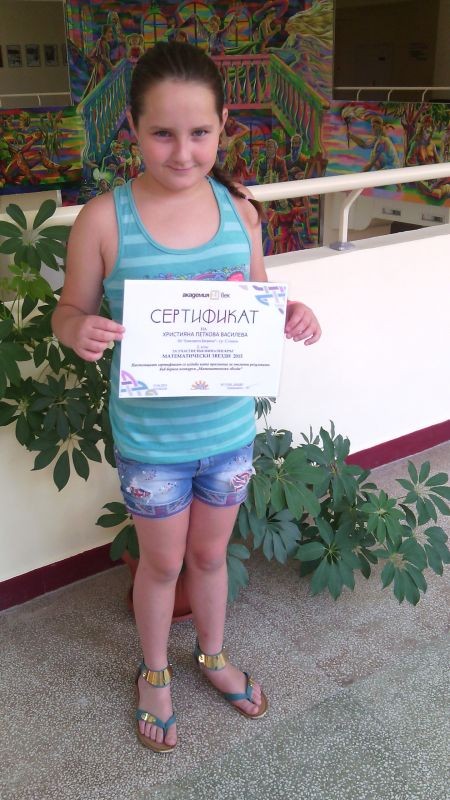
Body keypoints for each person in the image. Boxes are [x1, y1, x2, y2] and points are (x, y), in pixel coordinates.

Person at [52, 41, 321, 754]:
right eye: (162, 133)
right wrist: (77, 328)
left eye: (200, 132)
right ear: (132, 130)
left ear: (224, 125)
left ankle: (212, 654)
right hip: (152, 443)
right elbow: (68, 310)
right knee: (163, 565)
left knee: (210, 558)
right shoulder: (104, 220)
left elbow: (258, 295)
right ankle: (154, 671)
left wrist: (291, 313)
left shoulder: (240, 210)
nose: (182, 152)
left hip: (227, 432)